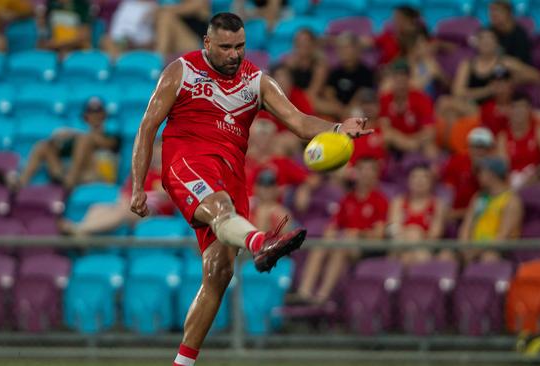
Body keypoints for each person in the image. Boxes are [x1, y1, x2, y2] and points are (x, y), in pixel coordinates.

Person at [129, 13, 371, 365]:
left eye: (239, 46)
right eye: (225, 47)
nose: (234, 54)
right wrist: (138, 185)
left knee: (218, 274)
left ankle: (181, 363)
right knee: (221, 208)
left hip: (231, 176)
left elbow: (300, 122)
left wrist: (337, 127)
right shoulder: (182, 71)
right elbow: (147, 126)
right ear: (207, 44)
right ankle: (262, 241)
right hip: (188, 162)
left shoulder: (257, 82)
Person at [290, 157, 388, 305]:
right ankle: (304, 292)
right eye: (362, 170)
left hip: (365, 247)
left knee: (341, 246)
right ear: (356, 173)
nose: (366, 174)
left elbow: (379, 235)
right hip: (346, 242)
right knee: (321, 245)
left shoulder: (380, 200)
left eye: (370, 170)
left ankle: (322, 296)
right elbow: (333, 225)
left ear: (376, 174)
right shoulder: (347, 199)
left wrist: (356, 233)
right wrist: (330, 234)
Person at [58, 140, 172, 236]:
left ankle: (79, 229)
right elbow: (125, 193)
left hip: (153, 212)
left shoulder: (169, 174)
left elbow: (166, 195)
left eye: (160, 151)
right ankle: (82, 233)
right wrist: (125, 202)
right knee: (97, 207)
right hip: (132, 206)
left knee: (122, 212)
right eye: (154, 151)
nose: (156, 155)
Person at [18, 97, 120, 190]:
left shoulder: (111, 135)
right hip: (79, 175)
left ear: (104, 115)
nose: (95, 116)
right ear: (85, 116)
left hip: (100, 176)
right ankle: (21, 183)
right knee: (43, 146)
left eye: (98, 112)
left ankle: (68, 182)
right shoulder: (80, 138)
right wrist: (57, 139)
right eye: (91, 112)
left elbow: (106, 143)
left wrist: (73, 133)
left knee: (85, 140)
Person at [458, 157, 523, 263]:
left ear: (492, 174)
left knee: (489, 258)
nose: (478, 176)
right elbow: (466, 226)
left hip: (497, 250)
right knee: (445, 255)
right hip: (472, 248)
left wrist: (476, 251)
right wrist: (464, 246)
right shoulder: (478, 197)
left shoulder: (511, 201)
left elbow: (503, 236)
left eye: (482, 172)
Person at [388, 163, 445, 266]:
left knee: (414, 254)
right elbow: (394, 231)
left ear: (431, 182)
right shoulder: (398, 202)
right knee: (403, 252)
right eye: (415, 177)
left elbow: (435, 235)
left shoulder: (437, 204)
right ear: (408, 181)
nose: (419, 181)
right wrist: (412, 233)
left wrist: (416, 234)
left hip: (425, 249)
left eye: (424, 177)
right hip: (400, 249)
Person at [441, 127, 496, 232]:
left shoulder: (495, 167)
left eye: (483, 147)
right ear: (469, 147)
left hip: (482, 216)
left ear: (490, 149)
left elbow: (491, 201)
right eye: (475, 146)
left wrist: (458, 213)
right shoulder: (457, 161)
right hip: (455, 215)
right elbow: (448, 190)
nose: (479, 151)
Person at [379, 59, 436, 158]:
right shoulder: (385, 99)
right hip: (395, 142)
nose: (400, 82)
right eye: (397, 78)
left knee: (431, 148)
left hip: (417, 141)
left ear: (409, 79)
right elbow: (384, 128)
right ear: (392, 79)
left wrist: (412, 141)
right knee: (385, 138)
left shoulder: (421, 98)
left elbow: (429, 131)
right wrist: (405, 142)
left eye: (403, 77)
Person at [317, 32, 375, 118]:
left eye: (346, 48)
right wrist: (340, 108)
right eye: (340, 48)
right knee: (319, 105)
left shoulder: (365, 72)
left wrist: (348, 109)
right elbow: (329, 92)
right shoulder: (335, 72)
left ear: (356, 49)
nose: (343, 51)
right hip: (337, 108)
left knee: (360, 111)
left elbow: (362, 93)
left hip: (356, 107)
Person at [497, 93, 540, 189]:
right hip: (514, 184)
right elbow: (504, 170)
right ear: (509, 110)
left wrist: (535, 176)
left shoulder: (538, 131)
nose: (518, 112)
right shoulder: (503, 137)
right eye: (515, 107)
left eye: (522, 107)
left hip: (537, 180)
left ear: (529, 110)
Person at [282, 29, 328, 98]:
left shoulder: (319, 66)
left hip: (310, 101)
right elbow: (282, 89)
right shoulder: (289, 64)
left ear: (313, 44)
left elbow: (313, 92)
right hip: (291, 99)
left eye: (306, 41)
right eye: (299, 41)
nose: (302, 44)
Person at [488, 0, 532, 64]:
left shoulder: (519, 35)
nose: (493, 14)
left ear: (509, 13)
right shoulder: (489, 31)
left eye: (497, 11)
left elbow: (522, 62)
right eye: (491, 12)